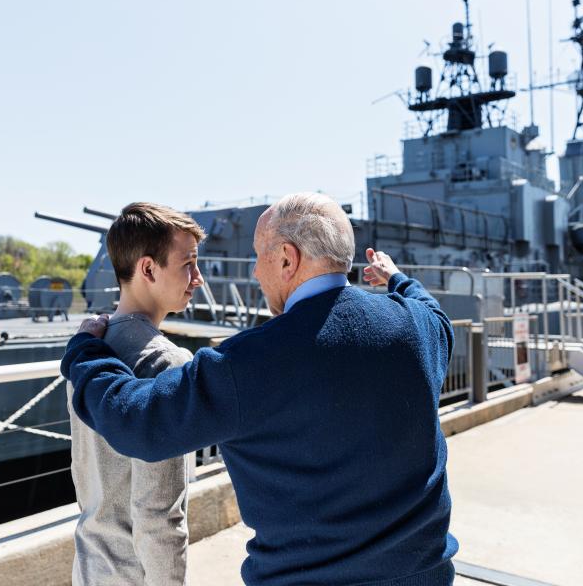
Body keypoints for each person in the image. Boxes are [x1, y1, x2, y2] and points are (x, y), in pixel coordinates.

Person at [63, 192, 459, 586]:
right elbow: (435, 313)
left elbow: (138, 423)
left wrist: (85, 353)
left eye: (259, 256)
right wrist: (398, 280)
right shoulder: (418, 327)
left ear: (287, 259)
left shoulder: (250, 363)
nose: (254, 271)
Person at [66, 202, 205, 586]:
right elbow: (160, 515)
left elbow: (83, 472)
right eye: (188, 264)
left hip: (90, 567)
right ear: (148, 268)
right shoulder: (167, 364)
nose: (199, 278)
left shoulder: (85, 349)